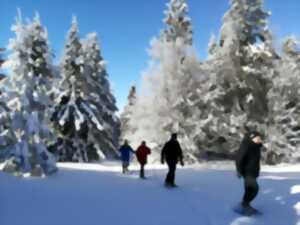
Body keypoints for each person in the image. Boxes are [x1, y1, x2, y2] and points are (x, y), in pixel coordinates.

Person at [235, 131, 263, 214]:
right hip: (247, 172)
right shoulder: (246, 146)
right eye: (257, 138)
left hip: (253, 172)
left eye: (259, 138)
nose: (259, 139)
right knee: (255, 189)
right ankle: (244, 205)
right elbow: (239, 159)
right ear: (251, 138)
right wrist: (239, 171)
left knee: (249, 190)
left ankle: (245, 205)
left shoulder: (256, 146)